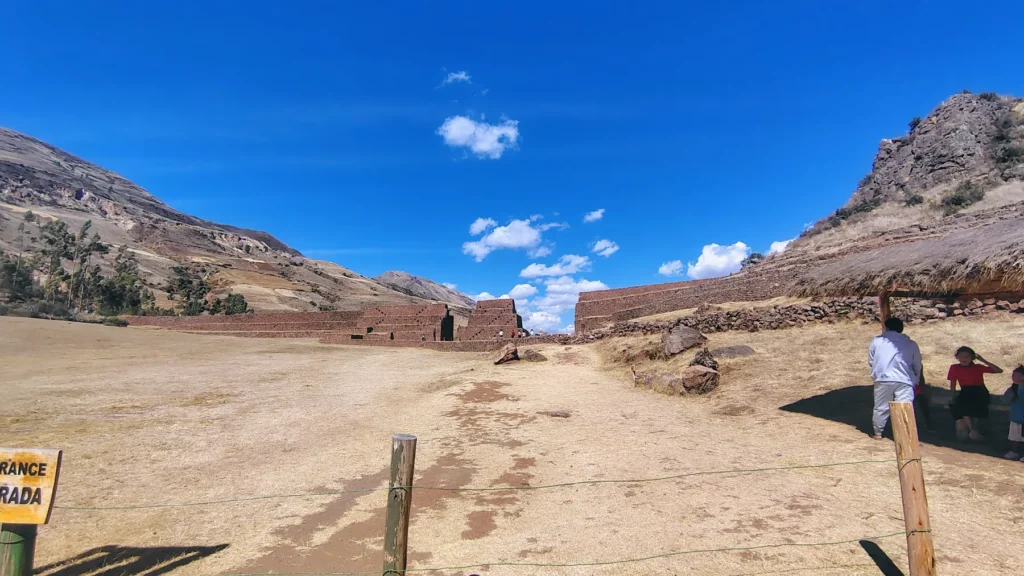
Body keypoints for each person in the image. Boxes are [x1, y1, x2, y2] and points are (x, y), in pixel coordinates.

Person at [868, 317, 922, 440]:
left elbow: (871, 360)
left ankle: (878, 433)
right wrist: (916, 378)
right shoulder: (911, 344)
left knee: (881, 407)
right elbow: (917, 363)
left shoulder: (877, 341)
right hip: (905, 378)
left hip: (883, 378)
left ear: (886, 327)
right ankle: (905, 434)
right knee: (904, 406)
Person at [948, 346, 1003, 441]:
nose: (963, 359)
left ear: (972, 357)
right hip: (965, 391)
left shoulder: (977, 367)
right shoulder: (954, 367)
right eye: (961, 356)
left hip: (979, 391)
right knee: (960, 405)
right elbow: (953, 382)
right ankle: (972, 430)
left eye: (967, 357)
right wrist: (952, 394)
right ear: (957, 357)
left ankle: (974, 430)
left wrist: (983, 360)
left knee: (976, 407)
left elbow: (998, 370)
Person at [1004, 365, 1024, 461]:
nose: (1013, 377)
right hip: (1015, 417)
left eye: (1015, 375)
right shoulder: (1013, 389)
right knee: (1014, 437)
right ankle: (1014, 452)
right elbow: (1005, 400)